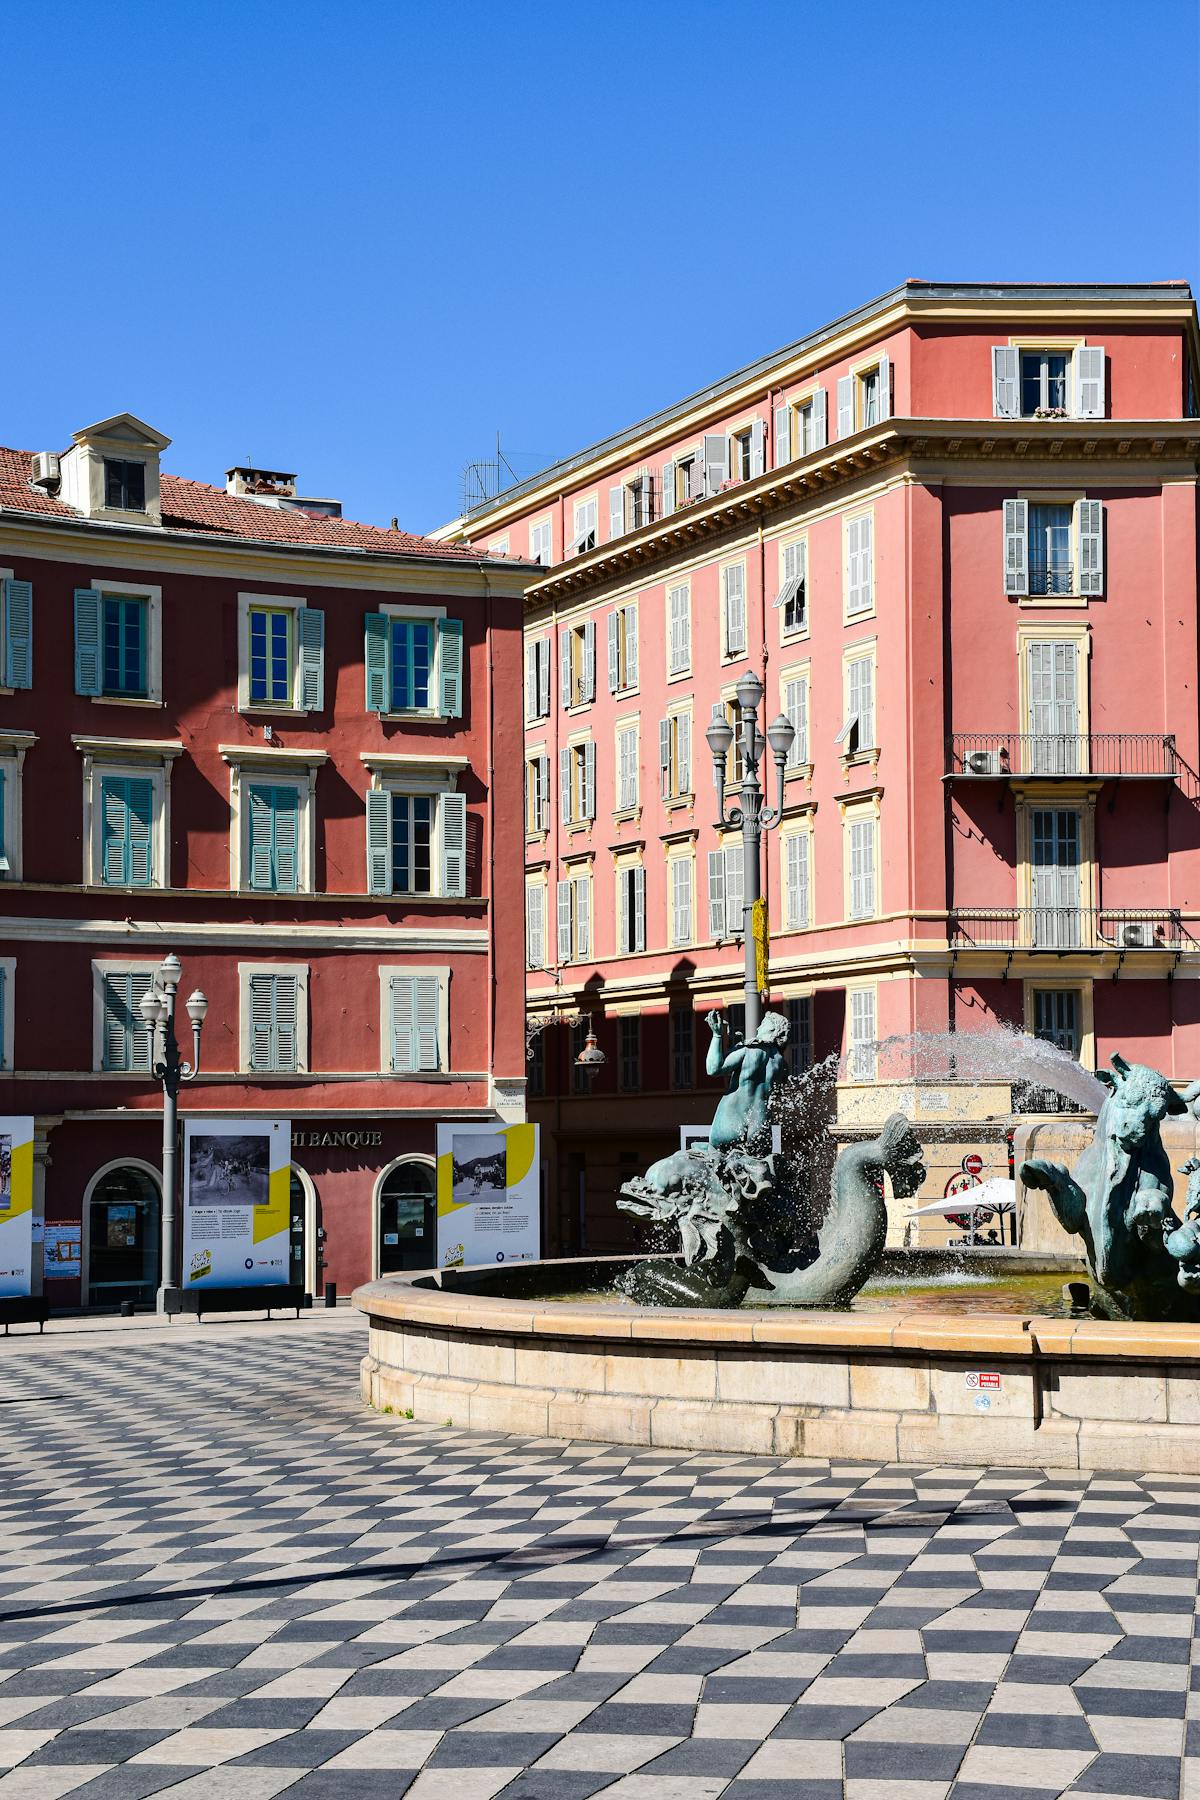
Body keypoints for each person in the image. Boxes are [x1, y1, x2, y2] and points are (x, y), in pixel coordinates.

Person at [705, 1008, 789, 1151]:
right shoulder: (782, 1064)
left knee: (710, 1158)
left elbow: (713, 1069)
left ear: (772, 1029)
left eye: (763, 1023)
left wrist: (717, 1035)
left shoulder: (748, 1049)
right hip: (760, 1127)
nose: (757, 1027)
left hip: (731, 1122)